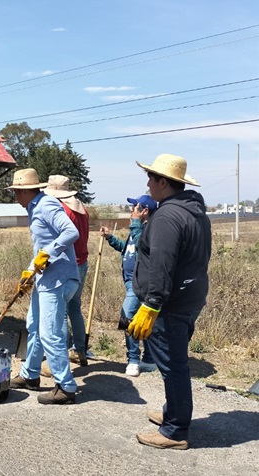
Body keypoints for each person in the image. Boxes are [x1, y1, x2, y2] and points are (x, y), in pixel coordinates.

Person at [129, 154, 211, 450]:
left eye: (151, 178)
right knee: (174, 361)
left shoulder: (166, 216)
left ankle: (175, 430)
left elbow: (162, 264)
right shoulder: (195, 212)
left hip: (169, 304)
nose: (148, 183)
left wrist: (151, 304)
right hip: (190, 298)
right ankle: (172, 413)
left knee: (173, 366)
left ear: (164, 182)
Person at [8, 168, 81, 405]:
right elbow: (42, 247)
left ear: (26, 191)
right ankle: (30, 375)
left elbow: (71, 232)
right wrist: (29, 272)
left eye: (17, 193)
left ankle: (66, 387)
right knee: (33, 325)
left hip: (58, 279)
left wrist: (47, 254)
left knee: (50, 332)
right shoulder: (33, 208)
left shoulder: (47, 205)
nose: (15, 197)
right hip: (44, 278)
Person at [100, 194, 157, 377]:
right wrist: (110, 238)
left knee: (127, 316)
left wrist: (135, 224)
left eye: (134, 208)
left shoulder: (148, 230)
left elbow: (142, 247)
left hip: (139, 283)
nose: (131, 211)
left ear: (144, 211)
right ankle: (149, 359)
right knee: (142, 320)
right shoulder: (138, 229)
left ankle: (133, 360)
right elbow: (128, 248)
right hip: (131, 282)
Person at [44, 175, 90, 366]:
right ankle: (79, 351)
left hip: (67, 265)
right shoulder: (82, 209)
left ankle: (60, 357)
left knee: (60, 312)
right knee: (75, 309)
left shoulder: (62, 210)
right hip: (82, 263)